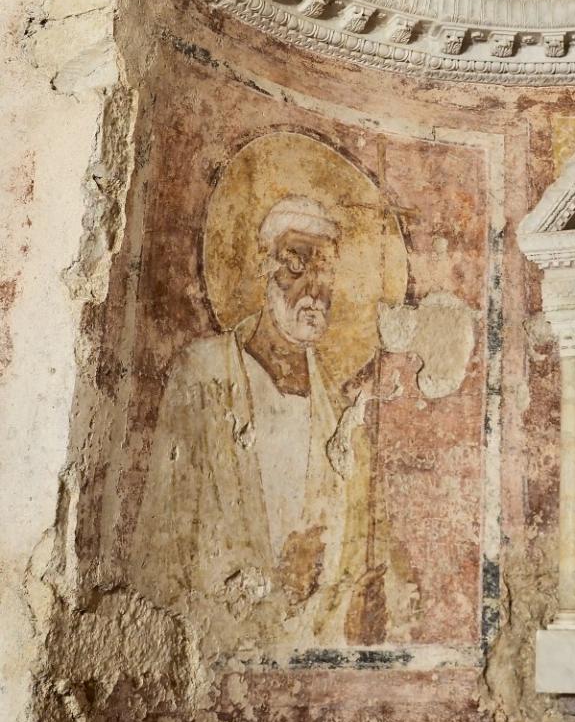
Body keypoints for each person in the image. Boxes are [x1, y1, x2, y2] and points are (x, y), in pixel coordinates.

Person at [130, 195, 387, 650]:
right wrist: (271, 583)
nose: (313, 290)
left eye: (324, 272)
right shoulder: (204, 373)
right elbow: (163, 547)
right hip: (218, 639)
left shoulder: (341, 408)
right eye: (295, 266)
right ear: (263, 268)